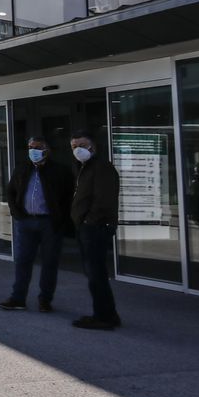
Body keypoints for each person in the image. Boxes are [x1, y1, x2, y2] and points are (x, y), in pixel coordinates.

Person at [0, 136, 74, 312]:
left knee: (49, 262)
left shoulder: (60, 171)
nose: (33, 150)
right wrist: (16, 212)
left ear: (47, 150)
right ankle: (18, 299)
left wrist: (61, 218)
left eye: (37, 147)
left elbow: (69, 197)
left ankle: (45, 300)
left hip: (49, 222)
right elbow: (10, 192)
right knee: (22, 261)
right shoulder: (22, 168)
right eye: (30, 147)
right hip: (25, 222)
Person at [70, 131, 122, 330]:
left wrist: (89, 221)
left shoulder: (102, 168)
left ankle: (104, 317)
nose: (78, 149)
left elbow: (103, 200)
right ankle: (106, 313)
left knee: (96, 274)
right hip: (88, 227)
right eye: (74, 146)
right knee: (94, 274)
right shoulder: (84, 168)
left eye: (81, 145)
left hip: (96, 228)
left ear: (93, 146)